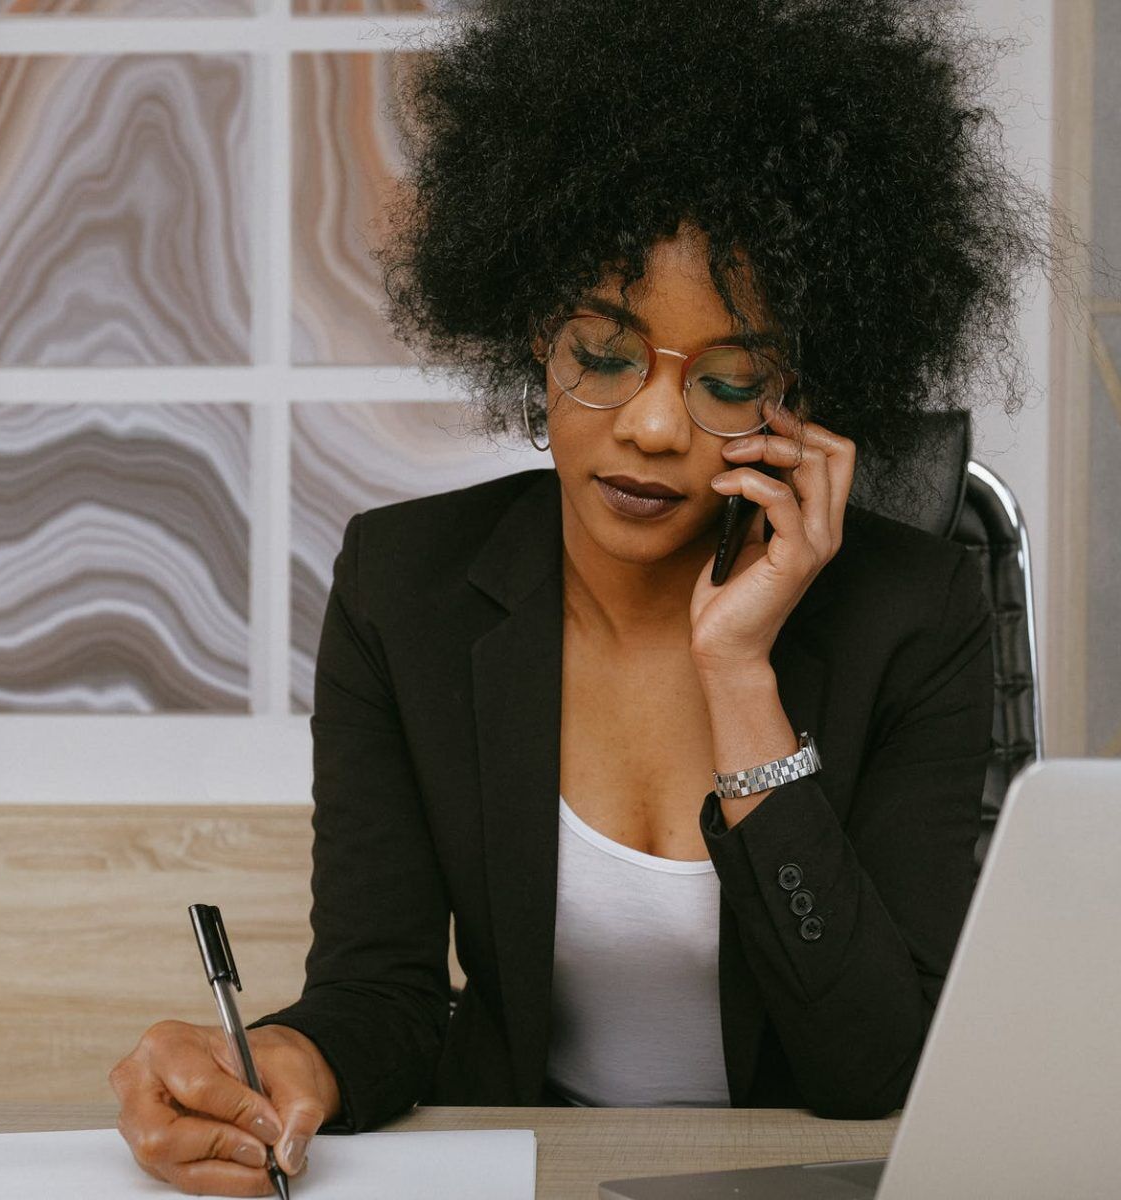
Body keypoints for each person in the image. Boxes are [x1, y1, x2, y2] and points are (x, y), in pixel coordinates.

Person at [110, 0, 1049, 1193]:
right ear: (532, 338)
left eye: (730, 380)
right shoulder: (407, 590)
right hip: (532, 1167)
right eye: (604, 355)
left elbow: (872, 1066)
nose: (652, 426)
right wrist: (290, 1058)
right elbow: (380, 993)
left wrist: (739, 676)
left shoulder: (913, 612)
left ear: (802, 397)